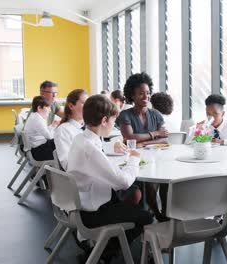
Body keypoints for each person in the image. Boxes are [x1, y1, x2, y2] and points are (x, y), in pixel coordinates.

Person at [67, 95, 152, 260]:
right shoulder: (90, 149)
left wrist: (111, 145)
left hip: (82, 203)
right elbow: (124, 182)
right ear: (104, 120)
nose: (115, 125)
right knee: (146, 216)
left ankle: (105, 249)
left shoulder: (81, 139)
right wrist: (134, 158)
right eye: (114, 121)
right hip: (91, 213)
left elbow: (96, 153)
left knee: (132, 196)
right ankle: (104, 251)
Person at [117, 72, 169, 222]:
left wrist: (144, 143)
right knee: (150, 182)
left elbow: (165, 140)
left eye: (147, 93)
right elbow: (129, 138)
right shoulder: (125, 115)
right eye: (141, 94)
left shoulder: (156, 114)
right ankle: (156, 213)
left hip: (157, 158)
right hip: (134, 160)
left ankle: (164, 214)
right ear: (132, 96)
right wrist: (155, 134)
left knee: (166, 181)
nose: (146, 97)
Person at [54, 90, 128, 170]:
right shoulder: (63, 130)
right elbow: (67, 165)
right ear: (71, 106)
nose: (89, 107)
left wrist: (113, 145)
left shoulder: (89, 126)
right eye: (84, 103)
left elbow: (99, 148)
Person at [23, 96, 57, 161]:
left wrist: (52, 125)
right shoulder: (37, 119)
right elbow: (49, 136)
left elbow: (45, 132)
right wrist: (53, 126)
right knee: (59, 141)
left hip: (36, 148)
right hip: (38, 152)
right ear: (39, 108)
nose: (50, 110)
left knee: (58, 141)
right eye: (47, 107)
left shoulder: (35, 116)